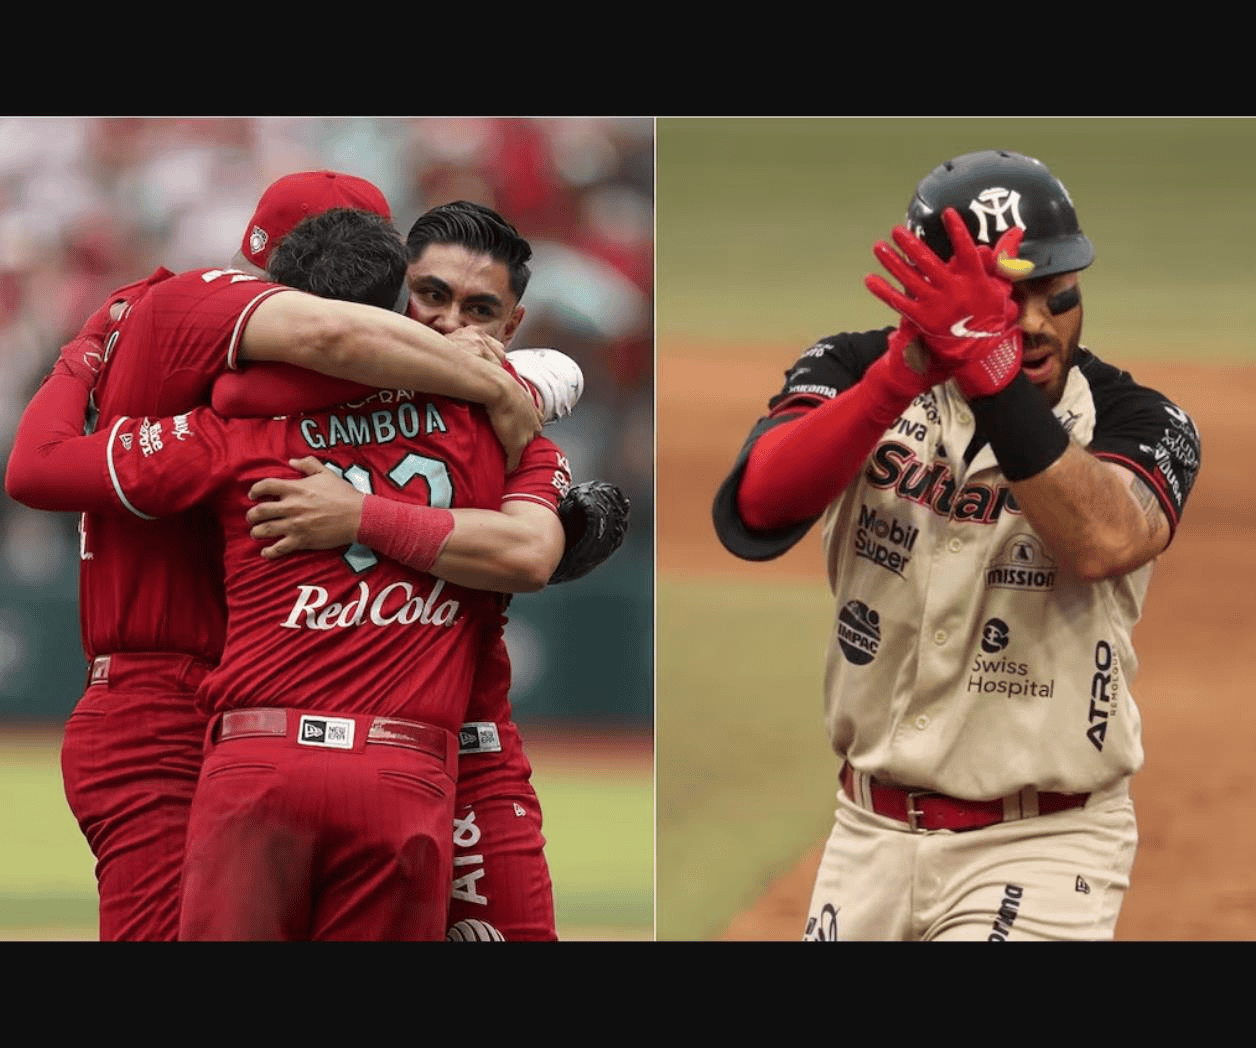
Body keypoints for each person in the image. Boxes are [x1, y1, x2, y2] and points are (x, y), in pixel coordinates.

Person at [2, 170, 549, 941]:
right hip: (164, 701)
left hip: (239, 705)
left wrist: (83, 352)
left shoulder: (237, 403)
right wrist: (505, 381)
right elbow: (330, 337)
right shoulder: (206, 307)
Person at [711, 149, 1202, 941]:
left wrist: (993, 374)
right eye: (1008, 299)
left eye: (1058, 293)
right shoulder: (857, 369)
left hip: (1043, 843)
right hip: (865, 836)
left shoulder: (1137, 419)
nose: (1039, 322)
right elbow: (757, 509)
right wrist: (902, 373)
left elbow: (1105, 540)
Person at [224, 200, 623, 940]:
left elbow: (529, 555)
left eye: (478, 310)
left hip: (466, 746)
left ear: (510, 327)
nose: (445, 322)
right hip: (299, 747)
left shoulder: (518, 438)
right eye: (430, 294)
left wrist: (357, 516)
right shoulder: (294, 398)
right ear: (389, 289)